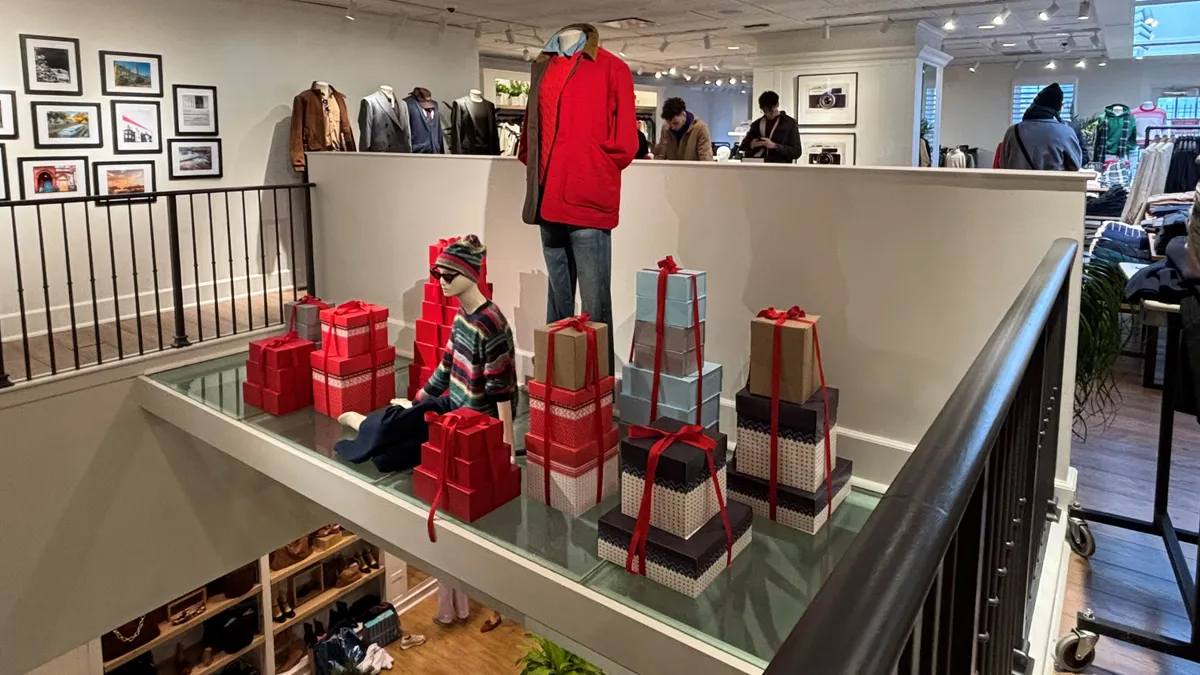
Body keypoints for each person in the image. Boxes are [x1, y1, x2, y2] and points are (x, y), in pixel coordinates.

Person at [998, 83, 1083, 171]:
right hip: (1053, 180)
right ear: (1060, 107)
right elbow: (1075, 166)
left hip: (1017, 180)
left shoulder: (1013, 131)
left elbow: (1003, 164)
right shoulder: (1066, 132)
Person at [739, 91, 802, 163]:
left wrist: (775, 146)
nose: (768, 114)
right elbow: (743, 147)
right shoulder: (756, 124)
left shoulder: (790, 123)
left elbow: (797, 152)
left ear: (777, 105)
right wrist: (751, 145)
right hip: (757, 164)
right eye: (765, 111)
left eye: (771, 110)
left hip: (779, 165)